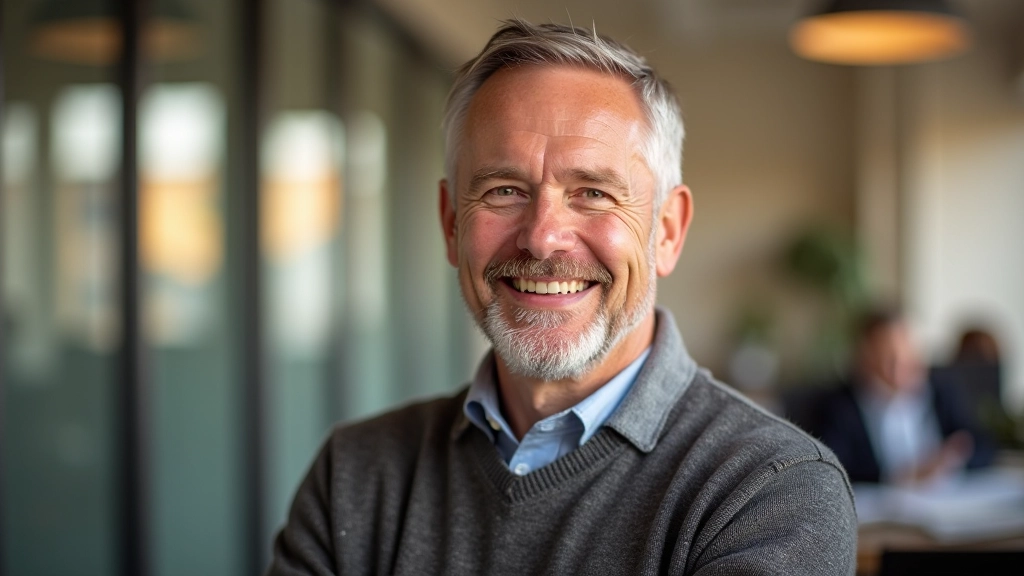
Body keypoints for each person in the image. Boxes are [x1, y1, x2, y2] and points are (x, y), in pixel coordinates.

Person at [268, 20, 856, 575]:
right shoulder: (355, 475)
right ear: (451, 223)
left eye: (593, 193)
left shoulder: (768, 487)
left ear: (667, 230)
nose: (543, 237)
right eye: (503, 190)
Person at [814, 309, 996, 485]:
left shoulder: (941, 390)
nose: (902, 364)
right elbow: (832, 470)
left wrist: (955, 457)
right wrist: (900, 477)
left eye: (908, 353)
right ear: (866, 357)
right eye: (889, 357)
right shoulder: (840, 406)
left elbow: (983, 446)